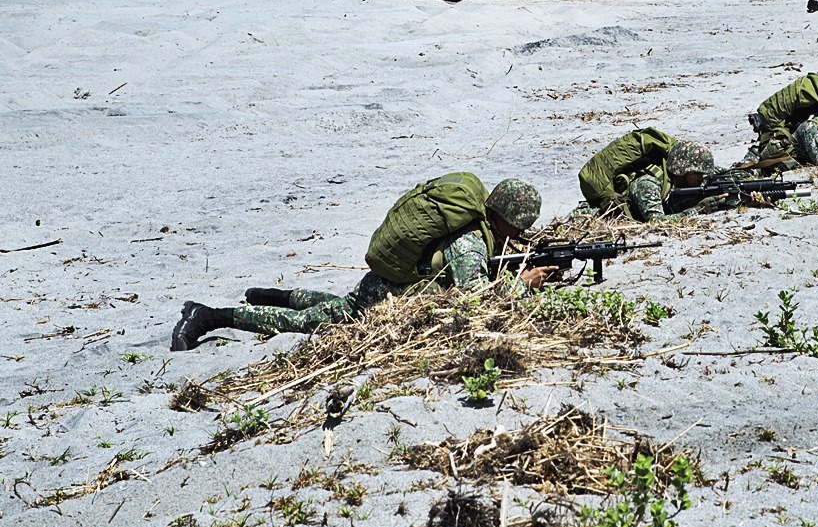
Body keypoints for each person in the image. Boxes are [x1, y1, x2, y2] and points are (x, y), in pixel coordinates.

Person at [170, 174, 552, 351]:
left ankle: (275, 294)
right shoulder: (470, 241)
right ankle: (209, 316)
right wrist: (523, 284)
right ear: (506, 217)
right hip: (383, 296)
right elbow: (474, 301)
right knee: (307, 324)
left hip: (386, 287)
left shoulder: (475, 227)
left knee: (340, 305)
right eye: (518, 225)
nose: (519, 232)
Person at [578, 129, 723, 222]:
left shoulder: (676, 180)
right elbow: (657, 223)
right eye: (697, 174)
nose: (701, 179)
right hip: (587, 219)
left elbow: (724, 173)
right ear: (683, 170)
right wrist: (700, 209)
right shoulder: (648, 184)